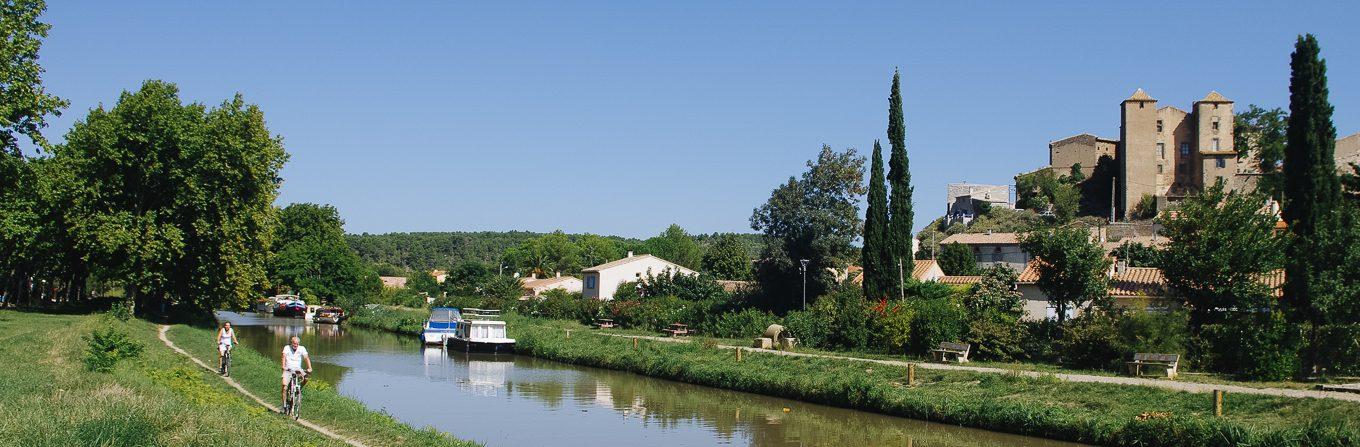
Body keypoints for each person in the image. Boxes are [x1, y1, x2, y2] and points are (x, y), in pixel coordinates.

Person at [280, 336, 313, 409]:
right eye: (294, 343)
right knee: (284, 387)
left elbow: (306, 358)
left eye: (297, 344)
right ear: (291, 343)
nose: (295, 345)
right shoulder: (287, 347)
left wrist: (309, 368)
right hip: (288, 369)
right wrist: (283, 366)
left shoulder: (302, 348)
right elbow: (283, 356)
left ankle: (299, 389)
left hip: (298, 369)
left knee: (306, 378)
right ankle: (284, 405)